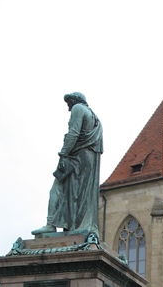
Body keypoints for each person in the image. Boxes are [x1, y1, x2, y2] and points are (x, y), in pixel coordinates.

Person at [32, 92, 103, 235]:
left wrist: (63, 154)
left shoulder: (78, 108)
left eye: (68, 103)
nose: (69, 108)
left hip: (74, 158)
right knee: (78, 194)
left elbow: (74, 133)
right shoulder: (95, 118)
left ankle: (50, 224)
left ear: (75, 100)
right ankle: (72, 224)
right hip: (87, 159)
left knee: (56, 189)